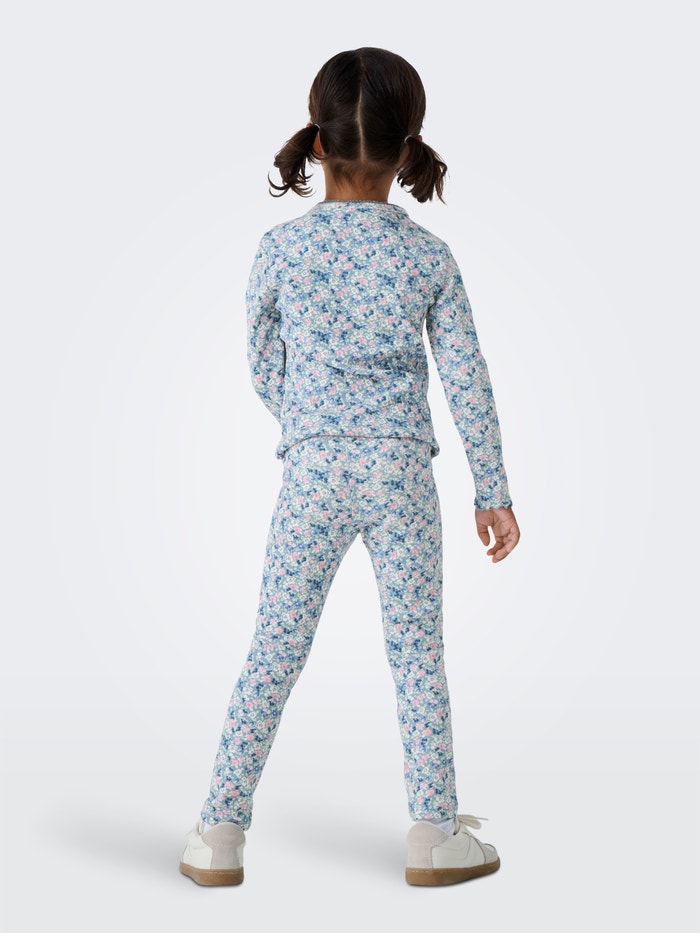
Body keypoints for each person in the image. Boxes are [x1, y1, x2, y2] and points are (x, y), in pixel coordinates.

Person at [179, 46, 521, 888]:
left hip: (314, 472)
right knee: (417, 654)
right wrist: (492, 490)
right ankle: (434, 833)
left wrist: (309, 423)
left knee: (274, 647)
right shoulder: (429, 257)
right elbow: (466, 376)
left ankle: (218, 832)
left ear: (319, 143)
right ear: (405, 152)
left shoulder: (281, 249)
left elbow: (262, 360)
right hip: (402, 470)